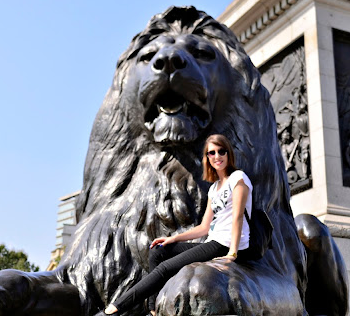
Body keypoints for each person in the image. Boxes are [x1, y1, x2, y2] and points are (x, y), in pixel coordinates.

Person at [101, 134, 253, 315]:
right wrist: (172, 239)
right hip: (213, 241)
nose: (217, 156)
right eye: (211, 153)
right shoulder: (215, 188)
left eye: (221, 151)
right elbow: (204, 227)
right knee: (159, 251)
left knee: (166, 268)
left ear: (229, 154)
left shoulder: (238, 178)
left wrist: (232, 253)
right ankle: (153, 310)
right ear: (207, 158)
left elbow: (237, 217)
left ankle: (116, 308)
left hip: (227, 244)